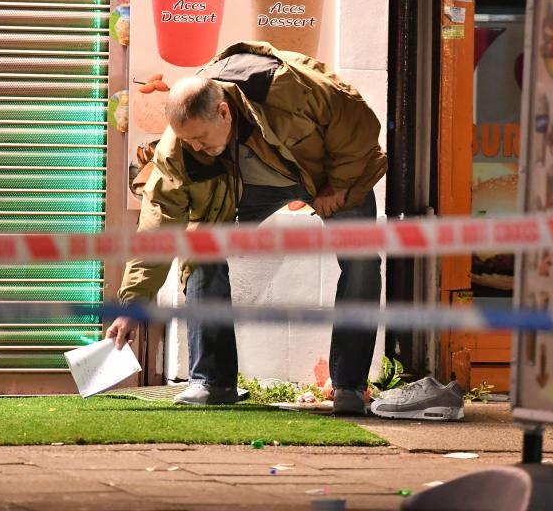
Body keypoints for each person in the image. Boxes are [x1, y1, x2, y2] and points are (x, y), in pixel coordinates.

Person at [107, 41, 387, 415]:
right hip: (242, 186)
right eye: (188, 141)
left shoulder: (286, 89)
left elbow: (359, 124)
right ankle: (212, 381)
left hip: (318, 171)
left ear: (224, 112)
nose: (197, 149)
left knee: (362, 259)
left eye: (202, 141)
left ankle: (350, 386)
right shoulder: (180, 147)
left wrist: (338, 184)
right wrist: (134, 302)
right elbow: (159, 225)